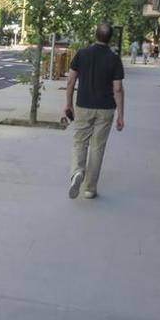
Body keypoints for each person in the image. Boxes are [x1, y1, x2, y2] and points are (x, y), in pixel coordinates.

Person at [66, 24, 125, 199]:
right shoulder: (114, 59)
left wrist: (68, 104)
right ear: (111, 38)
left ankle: (77, 172)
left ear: (95, 34)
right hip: (106, 109)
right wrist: (121, 115)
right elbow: (118, 89)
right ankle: (90, 188)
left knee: (80, 142)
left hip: (84, 105)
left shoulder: (82, 54)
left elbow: (70, 82)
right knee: (97, 147)